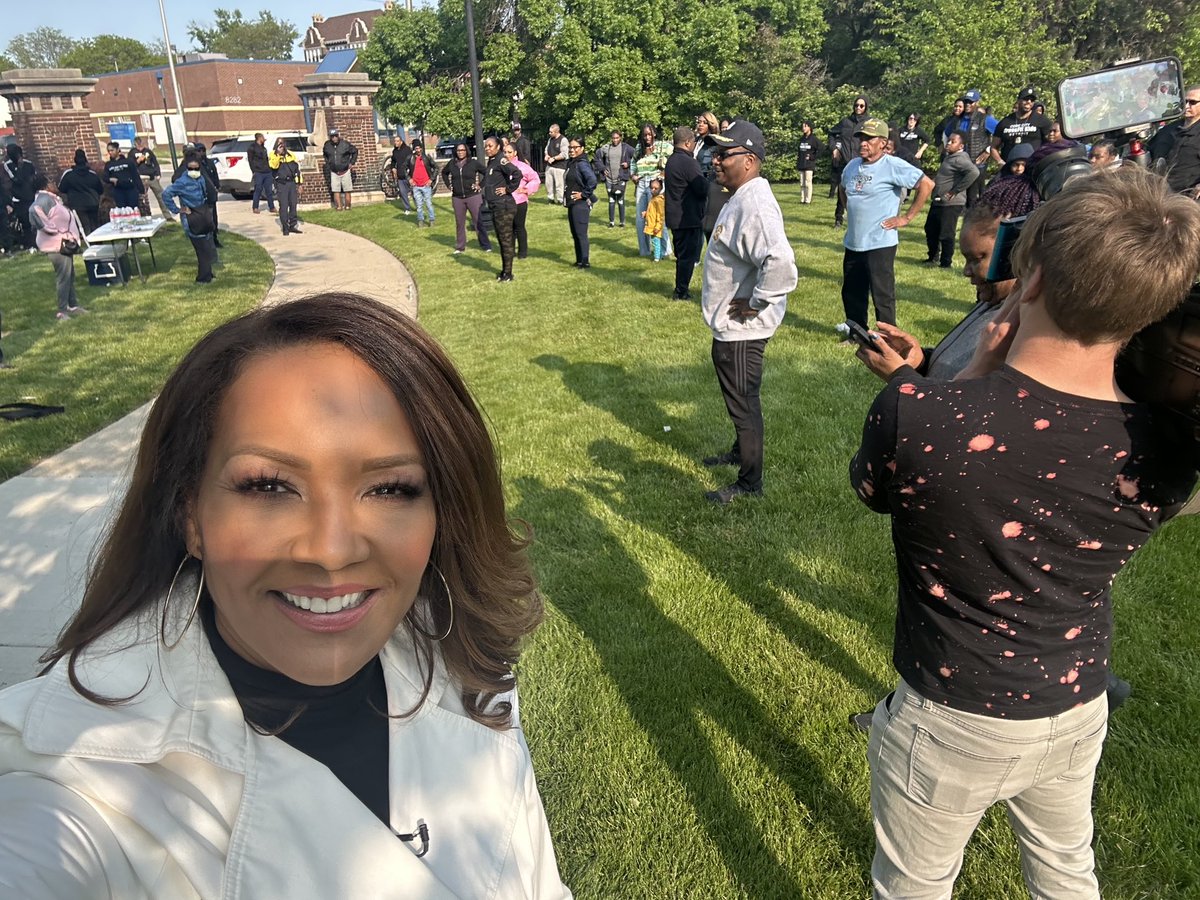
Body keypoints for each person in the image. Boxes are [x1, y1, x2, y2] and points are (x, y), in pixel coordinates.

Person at [0, 293, 573, 898]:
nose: (330, 551)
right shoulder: (83, 780)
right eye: (270, 486)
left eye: (389, 489)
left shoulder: (462, 667)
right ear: (190, 515)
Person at [852, 166, 1200, 900]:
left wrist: (959, 377)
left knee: (912, 887)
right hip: (1075, 704)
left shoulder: (919, 415)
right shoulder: (1167, 449)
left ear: (1031, 277)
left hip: (950, 717)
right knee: (1069, 874)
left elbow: (875, 491)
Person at [699, 121, 798, 505]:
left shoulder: (754, 205)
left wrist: (758, 301)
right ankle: (741, 452)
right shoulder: (741, 195)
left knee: (744, 402)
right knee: (737, 397)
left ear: (750, 160)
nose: (715, 161)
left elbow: (781, 262)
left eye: (724, 154)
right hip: (731, 328)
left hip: (744, 330)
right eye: (715, 154)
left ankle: (750, 483)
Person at [840, 118, 935, 328]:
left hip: (880, 242)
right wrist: (850, 209)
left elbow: (926, 184)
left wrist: (906, 218)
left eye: (869, 139)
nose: (863, 143)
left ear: (883, 142)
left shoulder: (892, 165)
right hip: (854, 241)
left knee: (882, 293)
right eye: (861, 138)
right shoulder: (852, 166)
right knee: (852, 290)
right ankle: (857, 333)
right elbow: (842, 187)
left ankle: (887, 338)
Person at [29, 174, 86, 321]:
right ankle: (62, 311)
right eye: (51, 182)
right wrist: (54, 230)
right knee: (63, 277)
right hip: (57, 245)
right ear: (45, 186)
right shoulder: (44, 200)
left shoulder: (51, 198)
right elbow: (34, 211)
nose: (54, 184)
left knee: (69, 275)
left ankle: (72, 305)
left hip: (63, 243)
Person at [664, 126, 708, 301]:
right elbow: (701, 188)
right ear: (688, 142)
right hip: (688, 217)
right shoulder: (689, 162)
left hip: (675, 217)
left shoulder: (672, 160)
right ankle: (681, 291)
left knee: (682, 256)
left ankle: (680, 288)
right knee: (687, 258)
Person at [922, 131, 978, 268]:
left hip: (951, 203)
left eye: (953, 142)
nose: (949, 143)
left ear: (961, 146)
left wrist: (955, 191)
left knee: (946, 233)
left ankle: (946, 262)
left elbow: (974, 172)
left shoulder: (961, 159)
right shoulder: (949, 157)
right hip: (938, 201)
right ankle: (933, 256)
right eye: (949, 140)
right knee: (931, 228)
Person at [162, 150, 219, 283]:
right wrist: (177, 209)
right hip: (191, 218)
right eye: (191, 168)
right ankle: (203, 278)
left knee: (207, 246)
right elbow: (166, 195)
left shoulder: (201, 179)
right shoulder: (182, 182)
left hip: (203, 214)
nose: (194, 170)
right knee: (202, 249)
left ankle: (208, 274)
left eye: (196, 168)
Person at [482, 136, 523, 282]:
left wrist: (508, 189)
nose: (487, 148)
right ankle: (504, 270)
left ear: (498, 147)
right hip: (495, 205)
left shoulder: (501, 159)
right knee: (501, 239)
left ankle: (508, 273)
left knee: (506, 239)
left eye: (490, 146)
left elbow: (517, 173)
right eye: (486, 146)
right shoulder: (492, 162)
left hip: (503, 205)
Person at [631, 123, 672, 257]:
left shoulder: (663, 146)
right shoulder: (639, 148)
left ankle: (665, 251)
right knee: (640, 218)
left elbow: (674, 157)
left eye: (649, 134)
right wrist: (633, 175)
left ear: (654, 133)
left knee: (658, 217)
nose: (647, 137)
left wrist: (665, 173)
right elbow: (633, 162)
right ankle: (644, 251)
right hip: (642, 183)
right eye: (645, 135)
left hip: (656, 184)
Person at [442, 143, 489, 254]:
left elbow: (486, 172)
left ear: (466, 151)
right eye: (458, 150)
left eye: (462, 150)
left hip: (473, 196)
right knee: (459, 223)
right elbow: (444, 173)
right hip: (458, 198)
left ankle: (485, 245)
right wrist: (449, 185)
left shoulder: (473, 163)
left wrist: (480, 185)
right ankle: (460, 247)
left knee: (478, 221)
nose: (460, 152)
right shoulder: (452, 163)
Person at [990, 87, 1054, 166]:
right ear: (1018, 100)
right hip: (1011, 168)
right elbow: (993, 147)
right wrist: (1000, 162)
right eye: (1026, 99)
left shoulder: (1042, 120)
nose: (1029, 102)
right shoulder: (1005, 122)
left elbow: (1053, 142)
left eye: (1032, 100)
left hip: (1033, 167)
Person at [832, 96, 871, 226]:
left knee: (861, 191)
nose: (858, 108)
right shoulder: (845, 122)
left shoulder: (869, 123)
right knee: (842, 189)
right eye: (856, 105)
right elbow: (832, 133)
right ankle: (838, 218)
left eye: (861, 106)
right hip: (846, 162)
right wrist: (835, 149)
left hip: (862, 163)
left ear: (866, 107)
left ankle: (860, 219)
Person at [504, 138, 540, 258]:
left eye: (509, 152)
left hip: (519, 201)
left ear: (515, 153)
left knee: (519, 227)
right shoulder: (501, 166)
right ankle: (511, 251)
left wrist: (526, 189)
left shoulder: (522, 166)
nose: (507, 154)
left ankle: (522, 252)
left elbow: (535, 178)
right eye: (505, 152)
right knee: (509, 228)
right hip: (505, 201)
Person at [564, 136, 597, 268]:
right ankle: (579, 260)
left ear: (582, 148)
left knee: (581, 233)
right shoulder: (572, 162)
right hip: (572, 204)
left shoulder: (582, 163)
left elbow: (592, 180)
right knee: (575, 233)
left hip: (581, 204)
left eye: (575, 147)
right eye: (570, 147)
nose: (571, 150)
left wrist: (584, 194)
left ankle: (585, 262)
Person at [955, 89, 992, 206]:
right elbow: (946, 134)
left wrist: (988, 150)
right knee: (962, 194)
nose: (967, 105)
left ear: (976, 103)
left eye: (970, 102)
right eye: (966, 102)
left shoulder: (985, 118)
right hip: (961, 161)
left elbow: (1001, 133)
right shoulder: (959, 120)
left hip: (977, 161)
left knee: (975, 194)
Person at [58, 149, 105, 236]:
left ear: (75, 160)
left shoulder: (68, 175)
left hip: (77, 204)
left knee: (84, 226)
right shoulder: (92, 174)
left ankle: (90, 243)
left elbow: (61, 189)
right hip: (93, 203)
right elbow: (100, 189)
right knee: (94, 225)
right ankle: (97, 242)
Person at [695, 111, 726, 240]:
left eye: (704, 122)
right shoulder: (697, 141)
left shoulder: (713, 143)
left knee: (709, 225)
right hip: (697, 184)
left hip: (709, 184)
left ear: (711, 125)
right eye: (699, 122)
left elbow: (711, 166)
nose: (700, 125)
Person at [594, 130, 634, 228]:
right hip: (609, 179)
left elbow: (636, 156)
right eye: (613, 138)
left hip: (621, 178)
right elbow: (596, 158)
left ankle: (622, 222)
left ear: (620, 137)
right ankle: (611, 222)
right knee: (611, 200)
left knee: (620, 199)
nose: (615, 140)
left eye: (617, 138)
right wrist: (602, 169)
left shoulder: (626, 148)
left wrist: (628, 164)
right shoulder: (606, 148)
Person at [1166, 84, 1200, 197]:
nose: (1186, 106)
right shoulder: (1169, 130)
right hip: (1165, 195)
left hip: (1191, 199)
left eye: (1192, 102)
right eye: (1184, 101)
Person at [2, 144, 37, 250]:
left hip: (30, 196)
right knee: (25, 222)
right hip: (18, 199)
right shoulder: (7, 165)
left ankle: (37, 242)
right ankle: (29, 244)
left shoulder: (29, 164)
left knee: (34, 221)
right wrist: (19, 168)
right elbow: (16, 180)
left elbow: (34, 178)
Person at [268, 137, 303, 237]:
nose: (281, 145)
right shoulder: (273, 155)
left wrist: (300, 184)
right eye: (279, 144)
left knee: (293, 204)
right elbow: (273, 166)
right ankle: (285, 227)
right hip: (281, 184)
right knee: (284, 206)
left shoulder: (291, 155)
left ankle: (293, 225)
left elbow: (297, 170)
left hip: (291, 183)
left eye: (282, 143)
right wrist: (278, 155)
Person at [134, 141, 173, 221]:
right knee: (143, 199)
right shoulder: (132, 153)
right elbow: (131, 165)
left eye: (141, 144)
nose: (140, 146)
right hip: (141, 178)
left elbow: (155, 163)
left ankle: (168, 216)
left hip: (152, 177)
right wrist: (137, 161)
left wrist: (158, 173)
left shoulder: (148, 151)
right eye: (138, 145)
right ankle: (145, 217)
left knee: (161, 196)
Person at [323, 128, 358, 210]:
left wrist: (352, 163)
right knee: (335, 190)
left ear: (338, 136)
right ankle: (339, 207)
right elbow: (325, 154)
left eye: (336, 136)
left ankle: (348, 206)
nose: (334, 138)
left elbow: (355, 151)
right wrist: (328, 164)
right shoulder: (327, 145)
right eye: (332, 136)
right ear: (330, 137)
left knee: (347, 189)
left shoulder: (345, 144)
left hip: (345, 170)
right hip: (334, 171)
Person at [103, 142, 144, 211]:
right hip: (118, 191)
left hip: (131, 189)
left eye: (112, 150)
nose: (110, 152)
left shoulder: (128, 162)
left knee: (133, 210)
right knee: (122, 211)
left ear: (117, 150)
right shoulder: (108, 165)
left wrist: (141, 190)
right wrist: (111, 179)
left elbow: (135, 176)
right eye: (109, 151)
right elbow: (105, 177)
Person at [408, 139, 437, 227]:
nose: (418, 150)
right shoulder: (411, 158)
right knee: (419, 205)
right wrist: (409, 179)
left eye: (419, 148)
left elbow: (436, 168)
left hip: (426, 185)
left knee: (428, 204)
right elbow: (403, 168)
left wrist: (431, 179)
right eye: (416, 148)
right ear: (414, 149)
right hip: (416, 185)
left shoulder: (426, 157)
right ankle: (421, 220)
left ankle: (432, 220)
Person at [247, 133, 277, 216]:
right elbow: (250, 160)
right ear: (259, 138)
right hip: (258, 172)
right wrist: (254, 171)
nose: (264, 139)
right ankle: (255, 207)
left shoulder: (264, 148)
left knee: (269, 190)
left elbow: (266, 159)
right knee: (258, 189)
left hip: (267, 172)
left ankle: (272, 207)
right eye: (263, 137)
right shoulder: (252, 147)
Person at [795, 120, 824, 204]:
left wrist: (813, 157)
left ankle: (808, 200)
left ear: (810, 128)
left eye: (805, 126)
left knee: (808, 183)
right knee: (802, 183)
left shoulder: (814, 139)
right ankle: (802, 199)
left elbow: (822, 148)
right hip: (801, 163)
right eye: (803, 126)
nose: (803, 128)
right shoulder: (802, 139)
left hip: (809, 164)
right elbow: (799, 151)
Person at [387, 135, 414, 214]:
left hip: (408, 175)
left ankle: (419, 206)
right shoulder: (395, 151)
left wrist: (410, 171)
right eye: (395, 141)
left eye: (397, 141)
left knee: (414, 192)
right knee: (402, 192)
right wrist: (393, 168)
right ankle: (407, 208)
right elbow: (393, 161)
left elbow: (411, 161)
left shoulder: (407, 150)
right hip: (400, 175)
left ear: (401, 141)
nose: (396, 143)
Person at [543, 124, 570, 205]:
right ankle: (550, 199)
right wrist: (546, 155)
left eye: (551, 132)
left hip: (559, 166)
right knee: (549, 184)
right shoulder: (550, 139)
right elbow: (546, 149)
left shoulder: (563, 140)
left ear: (556, 131)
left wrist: (554, 158)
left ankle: (560, 200)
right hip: (549, 166)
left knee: (559, 184)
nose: (549, 133)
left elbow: (564, 154)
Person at [643, 176, 666, 261]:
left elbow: (660, 215)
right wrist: (646, 214)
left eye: (656, 188)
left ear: (661, 188)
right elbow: (652, 211)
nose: (653, 190)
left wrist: (657, 227)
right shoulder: (653, 199)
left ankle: (657, 258)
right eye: (651, 188)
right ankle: (659, 255)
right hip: (652, 224)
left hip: (655, 226)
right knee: (655, 241)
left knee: (656, 242)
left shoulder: (659, 200)